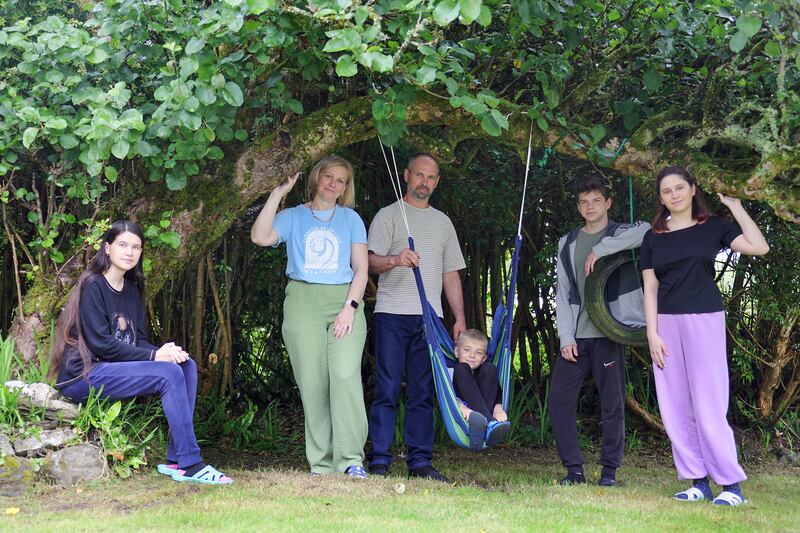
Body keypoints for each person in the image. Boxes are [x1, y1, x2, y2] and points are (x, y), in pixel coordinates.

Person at [51, 220, 232, 485]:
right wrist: (153, 357)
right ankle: (193, 464)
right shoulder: (93, 285)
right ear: (107, 248)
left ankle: (176, 461)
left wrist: (163, 351)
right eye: (123, 245)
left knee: (185, 366)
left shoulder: (133, 289)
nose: (130, 252)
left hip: (113, 369)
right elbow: (101, 343)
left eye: (136, 247)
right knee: (167, 373)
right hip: (84, 375)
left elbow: (138, 340)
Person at [640, 166, 769, 506]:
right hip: (666, 325)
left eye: (680, 188)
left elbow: (759, 247)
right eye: (667, 191)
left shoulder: (713, 228)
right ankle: (698, 481)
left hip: (705, 320)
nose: (674, 195)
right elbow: (650, 288)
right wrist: (652, 333)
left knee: (709, 404)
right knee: (676, 406)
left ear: (693, 189)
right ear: (661, 197)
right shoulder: (654, 235)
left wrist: (736, 207)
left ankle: (731, 487)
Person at [251, 155, 369, 478]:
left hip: (344, 300)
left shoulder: (351, 220)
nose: (333, 183)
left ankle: (351, 460)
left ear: (346, 188)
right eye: (329, 176)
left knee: (344, 375)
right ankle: (322, 464)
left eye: (341, 180)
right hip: (303, 300)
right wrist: (277, 194)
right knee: (314, 384)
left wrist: (351, 307)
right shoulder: (293, 216)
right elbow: (260, 237)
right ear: (317, 178)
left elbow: (362, 269)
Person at [367, 153, 466, 481]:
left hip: (430, 318)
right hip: (391, 315)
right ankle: (379, 459)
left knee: (424, 391)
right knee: (388, 387)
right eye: (419, 175)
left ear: (437, 182)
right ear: (407, 175)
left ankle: (420, 462)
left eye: (431, 177)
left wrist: (459, 319)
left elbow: (451, 274)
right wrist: (396, 259)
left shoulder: (444, 222)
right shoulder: (388, 215)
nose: (424, 182)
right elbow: (370, 262)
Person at [549, 176, 650, 487]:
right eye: (583, 202)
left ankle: (609, 473)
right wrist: (565, 337)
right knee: (558, 402)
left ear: (608, 203)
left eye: (595, 200)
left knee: (612, 404)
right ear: (579, 207)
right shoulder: (567, 242)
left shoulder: (622, 232)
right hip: (577, 337)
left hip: (611, 332)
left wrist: (604, 247)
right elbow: (564, 293)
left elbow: (648, 231)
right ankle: (574, 471)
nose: (589, 207)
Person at [452, 328, 511, 450]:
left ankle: (485, 425)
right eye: (467, 350)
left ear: (484, 358)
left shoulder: (485, 372)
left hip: (485, 411)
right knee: (461, 368)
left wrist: (498, 408)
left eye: (478, 353)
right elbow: (447, 397)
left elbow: (497, 393)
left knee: (490, 369)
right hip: (466, 414)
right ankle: (490, 424)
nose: (472, 355)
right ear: (457, 351)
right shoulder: (451, 371)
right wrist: (462, 408)